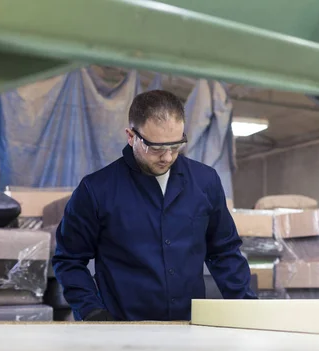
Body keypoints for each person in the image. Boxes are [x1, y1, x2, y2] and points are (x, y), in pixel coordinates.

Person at [52, 89, 257, 321]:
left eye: (176, 146)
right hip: (123, 331)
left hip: (188, 327)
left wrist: (246, 307)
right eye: (157, 148)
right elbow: (69, 259)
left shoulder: (205, 182)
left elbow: (224, 251)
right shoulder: (96, 190)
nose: (167, 157)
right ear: (131, 136)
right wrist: (91, 311)